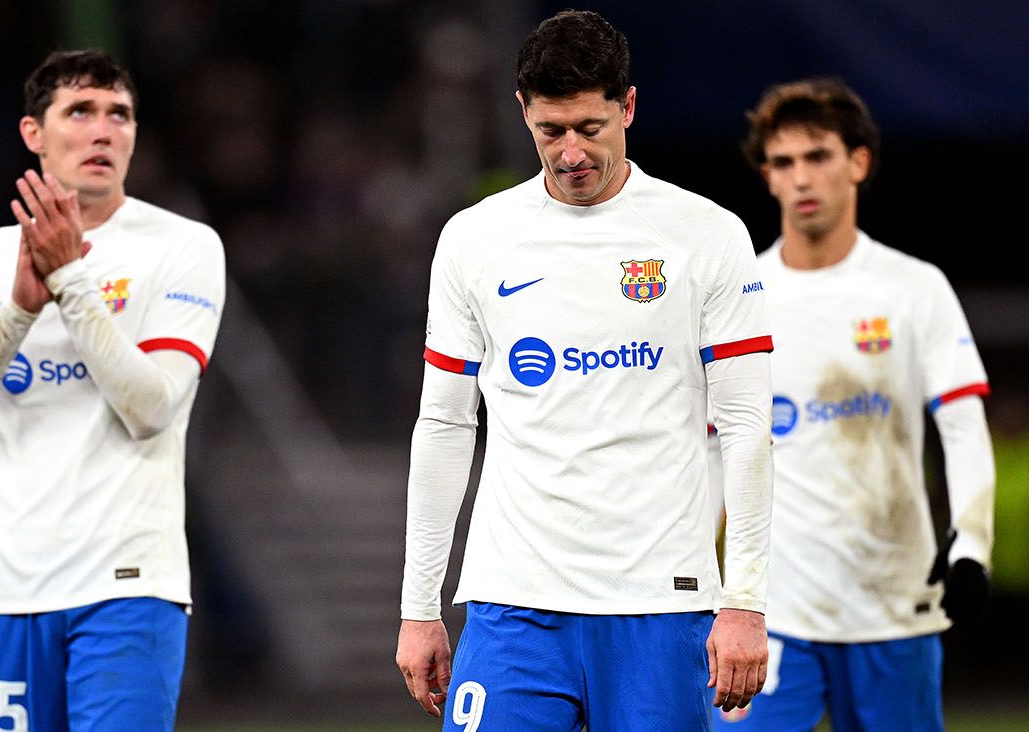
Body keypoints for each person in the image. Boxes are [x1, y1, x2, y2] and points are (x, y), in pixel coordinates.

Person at [395, 10, 774, 730]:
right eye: (550, 131)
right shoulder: (475, 239)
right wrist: (419, 606)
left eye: (589, 128)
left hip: (660, 602)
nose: (570, 153)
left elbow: (747, 424)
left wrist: (745, 601)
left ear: (628, 106)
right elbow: (443, 424)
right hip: (512, 603)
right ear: (523, 112)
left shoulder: (707, 236)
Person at [0, 50, 225, 732]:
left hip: (128, 587)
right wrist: (19, 311)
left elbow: (151, 408)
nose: (103, 131)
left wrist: (69, 281)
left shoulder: (183, 246)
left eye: (120, 115)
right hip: (9, 590)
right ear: (34, 133)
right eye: (80, 111)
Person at [713, 77, 995, 730]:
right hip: (773, 613)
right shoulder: (740, 298)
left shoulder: (915, 288)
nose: (802, 177)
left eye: (818, 156)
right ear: (767, 177)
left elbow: (962, 425)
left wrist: (972, 546)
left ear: (858, 162)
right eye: (784, 162)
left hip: (893, 603)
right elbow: (709, 448)